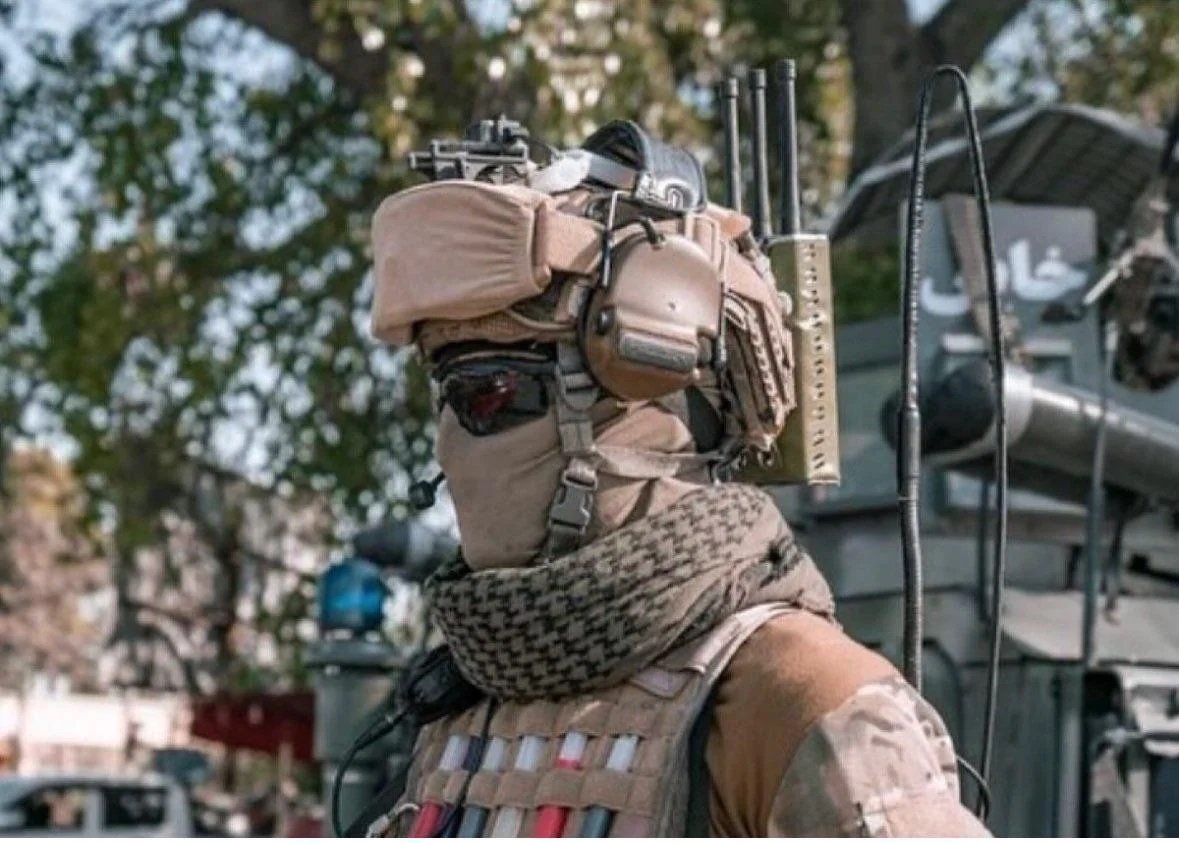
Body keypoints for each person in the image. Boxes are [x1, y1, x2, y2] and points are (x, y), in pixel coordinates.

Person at [363, 118, 989, 837]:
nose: (449, 448)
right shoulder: (460, 700)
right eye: (444, 399)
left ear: (644, 392)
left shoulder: (801, 702)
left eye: (489, 396)